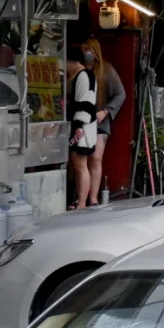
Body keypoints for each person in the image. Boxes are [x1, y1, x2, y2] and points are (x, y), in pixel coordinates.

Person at [82, 38, 126, 206]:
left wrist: (106, 110)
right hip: (81, 119)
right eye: (84, 49)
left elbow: (121, 94)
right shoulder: (80, 69)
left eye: (89, 49)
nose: (87, 53)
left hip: (99, 121)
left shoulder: (106, 70)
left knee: (95, 158)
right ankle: (82, 197)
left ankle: (93, 198)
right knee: (81, 160)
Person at [65, 46, 98, 210]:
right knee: (78, 165)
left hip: (82, 127)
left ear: (72, 61)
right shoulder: (81, 75)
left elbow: (86, 103)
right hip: (82, 126)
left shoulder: (84, 76)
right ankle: (80, 200)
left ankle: (82, 202)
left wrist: (78, 125)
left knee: (80, 164)